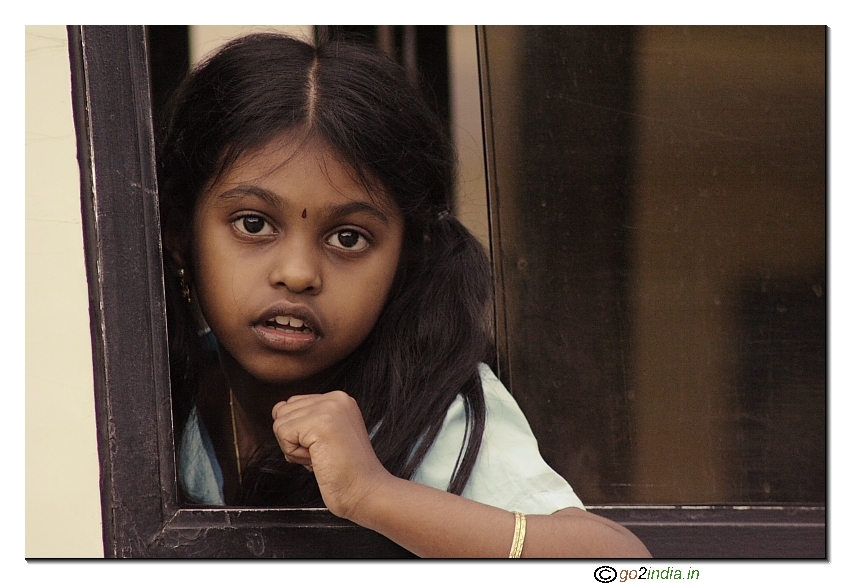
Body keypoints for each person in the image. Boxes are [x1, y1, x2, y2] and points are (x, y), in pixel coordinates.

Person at [157, 32, 650, 558]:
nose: (298, 274)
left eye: (349, 237)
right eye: (253, 224)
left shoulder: (431, 405)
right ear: (182, 240)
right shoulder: (159, 392)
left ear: (407, 258)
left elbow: (623, 563)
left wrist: (373, 493)